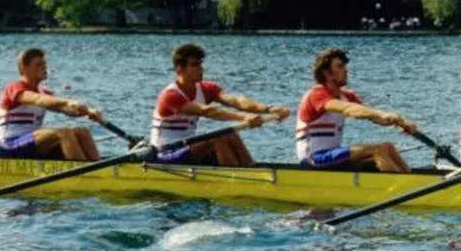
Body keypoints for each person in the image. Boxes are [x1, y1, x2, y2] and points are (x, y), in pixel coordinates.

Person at [150, 43, 290, 167]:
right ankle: (236, 182)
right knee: (219, 138)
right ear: (180, 69)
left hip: (187, 147)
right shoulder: (170, 96)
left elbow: (236, 101)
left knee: (230, 134)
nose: (201, 68)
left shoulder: (206, 89)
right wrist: (244, 117)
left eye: (200, 64)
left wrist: (268, 109)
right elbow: (208, 112)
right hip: (164, 153)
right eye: (194, 65)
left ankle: (251, 170)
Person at [295, 48, 420, 171]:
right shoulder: (316, 94)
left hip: (332, 155)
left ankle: (412, 181)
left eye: (345, 66)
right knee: (378, 150)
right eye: (340, 67)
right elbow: (349, 109)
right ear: (326, 73)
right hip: (313, 159)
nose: (346, 70)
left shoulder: (346, 96)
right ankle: (402, 185)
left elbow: (375, 118)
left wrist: (402, 122)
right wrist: (383, 114)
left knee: (388, 147)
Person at [0, 48, 108, 160]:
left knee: (82, 132)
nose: (44, 67)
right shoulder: (14, 87)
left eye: (44, 63)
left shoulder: (45, 91)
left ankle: (100, 172)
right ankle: (81, 175)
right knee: (63, 133)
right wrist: (69, 101)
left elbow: (67, 109)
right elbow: (38, 100)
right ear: (24, 68)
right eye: (39, 64)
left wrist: (89, 111)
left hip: (32, 143)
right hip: (10, 145)